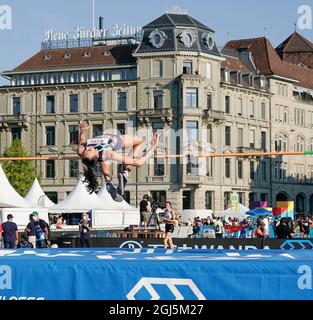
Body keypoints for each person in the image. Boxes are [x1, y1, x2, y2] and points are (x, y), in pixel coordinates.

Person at [77, 120, 160, 200]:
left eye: (86, 149)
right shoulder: (108, 153)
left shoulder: (82, 151)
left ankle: (108, 182)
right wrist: (154, 146)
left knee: (102, 160)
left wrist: (83, 130)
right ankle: (125, 173)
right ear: (93, 157)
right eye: (88, 150)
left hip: (104, 154)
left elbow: (82, 140)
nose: (88, 147)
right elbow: (138, 163)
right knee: (140, 142)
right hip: (118, 140)